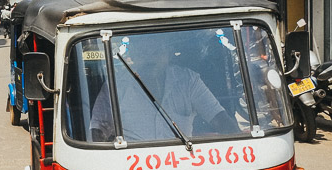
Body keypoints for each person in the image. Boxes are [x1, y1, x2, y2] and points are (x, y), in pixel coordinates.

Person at [89, 33, 237, 142]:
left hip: (183, 164)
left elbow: (220, 119)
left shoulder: (188, 81)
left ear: (168, 54)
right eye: (143, 52)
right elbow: (97, 131)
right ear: (132, 54)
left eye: (156, 51)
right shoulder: (115, 86)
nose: (149, 58)